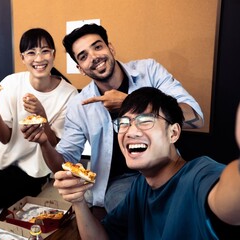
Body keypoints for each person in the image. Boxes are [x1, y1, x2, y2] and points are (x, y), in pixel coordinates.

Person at [26, 23, 204, 212]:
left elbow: (196, 117)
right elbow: (64, 163)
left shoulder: (149, 71)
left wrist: (130, 103)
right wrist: (45, 143)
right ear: (81, 68)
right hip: (121, 181)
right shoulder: (79, 105)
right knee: (126, 210)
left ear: (110, 48)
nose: (94, 57)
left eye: (97, 47)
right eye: (84, 56)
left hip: (167, 168)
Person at [53, 87, 240, 239]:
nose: (131, 131)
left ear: (173, 133)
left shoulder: (198, 174)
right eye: (124, 123)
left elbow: (230, 203)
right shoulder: (140, 187)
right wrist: (78, 201)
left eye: (145, 120)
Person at [0, 28, 78, 209]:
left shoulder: (69, 94)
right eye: (31, 52)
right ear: (23, 58)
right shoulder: (10, 83)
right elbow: (4, 138)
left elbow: (56, 144)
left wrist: (43, 117)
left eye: (45, 51)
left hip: (35, 168)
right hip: (3, 156)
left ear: (54, 55)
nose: (39, 59)